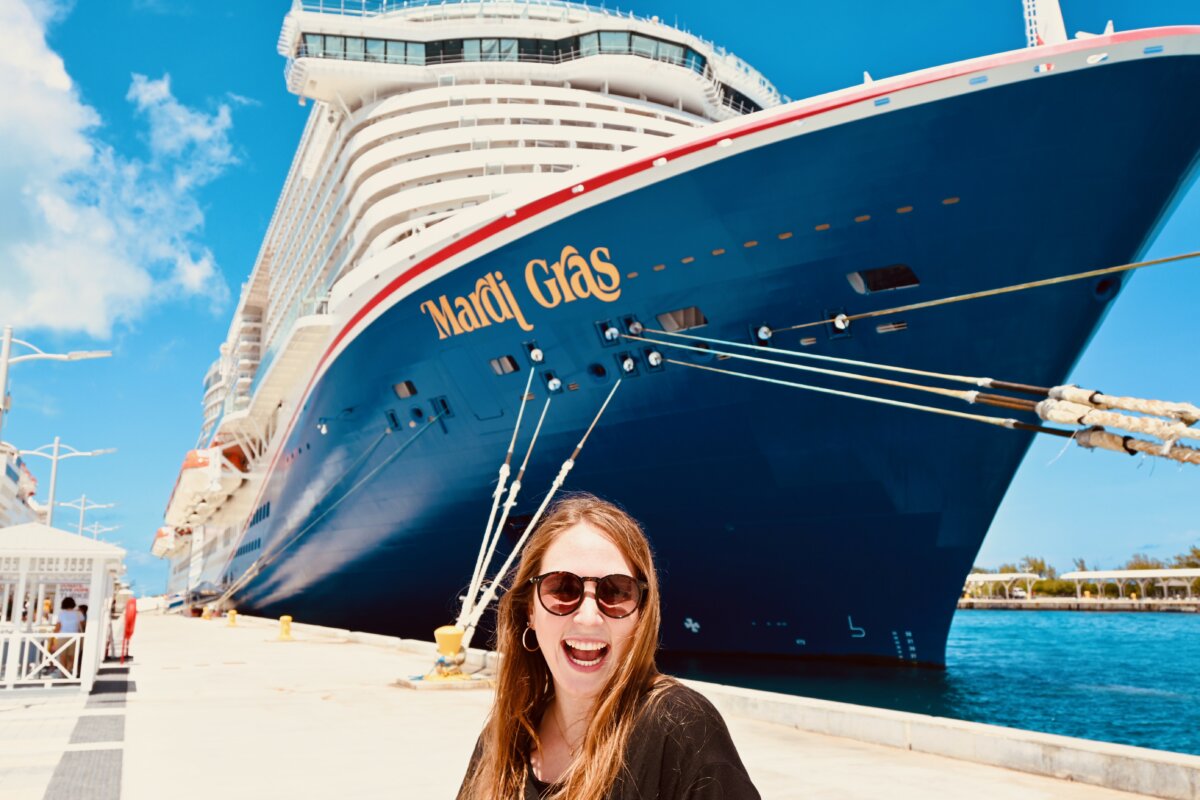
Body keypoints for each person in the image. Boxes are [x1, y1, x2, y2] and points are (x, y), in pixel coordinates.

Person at [457, 494, 759, 800]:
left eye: (616, 592)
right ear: (529, 611)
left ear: (641, 614)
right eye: (562, 588)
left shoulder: (681, 727)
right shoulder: (504, 737)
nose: (588, 618)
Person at [53, 597, 86, 677]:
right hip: (75, 637)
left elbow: (58, 627)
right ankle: (67, 672)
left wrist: (53, 636)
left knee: (62, 657)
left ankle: (63, 674)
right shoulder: (79, 613)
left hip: (62, 637)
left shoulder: (61, 613)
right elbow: (83, 626)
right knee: (72, 657)